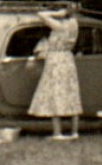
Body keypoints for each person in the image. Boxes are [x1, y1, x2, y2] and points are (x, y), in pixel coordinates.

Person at [28, 7, 83, 139]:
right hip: (68, 59)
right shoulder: (74, 24)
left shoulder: (60, 26)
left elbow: (41, 15)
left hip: (56, 60)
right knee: (71, 93)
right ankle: (74, 132)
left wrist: (55, 13)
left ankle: (58, 133)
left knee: (55, 92)